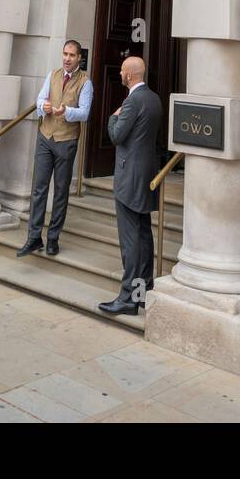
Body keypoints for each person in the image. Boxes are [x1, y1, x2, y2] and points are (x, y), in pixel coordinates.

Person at [98, 56, 162, 317]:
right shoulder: (154, 98)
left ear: (131, 75)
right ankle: (143, 291)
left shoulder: (133, 100)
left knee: (131, 240)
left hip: (129, 177)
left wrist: (113, 117)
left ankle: (128, 298)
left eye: (123, 70)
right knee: (143, 235)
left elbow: (116, 135)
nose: (120, 73)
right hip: (145, 175)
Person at [16, 39, 92, 258]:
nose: (67, 59)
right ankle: (33, 238)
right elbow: (40, 98)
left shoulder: (85, 83)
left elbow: (85, 112)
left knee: (60, 192)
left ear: (79, 58)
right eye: (65, 54)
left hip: (67, 141)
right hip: (45, 137)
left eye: (72, 55)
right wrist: (43, 106)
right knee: (39, 188)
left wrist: (67, 111)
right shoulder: (53, 74)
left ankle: (53, 239)